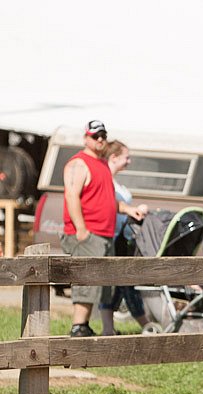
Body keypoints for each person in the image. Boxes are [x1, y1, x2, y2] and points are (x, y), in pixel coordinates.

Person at [60, 120, 145, 337]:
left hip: (105, 234)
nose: (100, 140)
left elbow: (106, 199)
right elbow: (71, 196)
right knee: (87, 279)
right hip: (88, 233)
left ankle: (87, 326)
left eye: (103, 136)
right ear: (86, 138)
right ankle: (78, 326)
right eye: (95, 136)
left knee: (103, 284)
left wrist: (127, 209)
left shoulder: (102, 165)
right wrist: (81, 229)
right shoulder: (78, 164)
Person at [98, 140, 150, 335]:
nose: (129, 161)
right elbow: (109, 205)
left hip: (122, 238)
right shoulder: (106, 181)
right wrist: (131, 210)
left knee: (122, 283)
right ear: (113, 157)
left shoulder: (115, 182)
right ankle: (110, 328)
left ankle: (112, 328)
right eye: (126, 157)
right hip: (111, 237)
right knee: (113, 283)